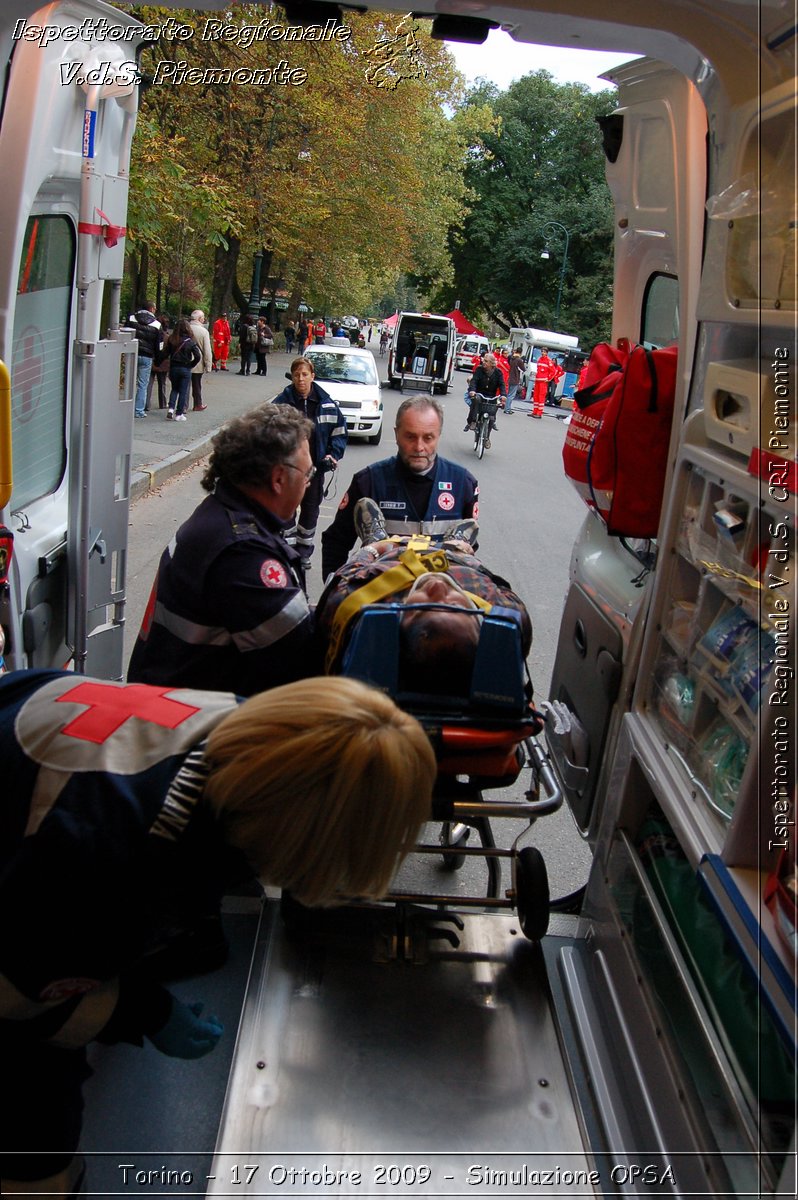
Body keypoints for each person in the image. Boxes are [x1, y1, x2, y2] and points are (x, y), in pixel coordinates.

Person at [0, 667, 436, 1199]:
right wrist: (142, 1011)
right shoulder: (118, 873)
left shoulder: (252, 731)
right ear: (309, 843)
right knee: (34, 1118)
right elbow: (18, 1000)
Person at [128, 405, 320, 694]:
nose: (308, 484)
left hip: (169, 700)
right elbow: (302, 657)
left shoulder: (222, 513)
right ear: (279, 479)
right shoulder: (243, 553)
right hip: (197, 723)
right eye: (308, 474)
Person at [317, 500, 532, 692]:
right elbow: (498, 583)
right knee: (460, 552)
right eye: (456, 605)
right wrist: (465, 556)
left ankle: (376, 536)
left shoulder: (353, 604)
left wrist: (374, 550)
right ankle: (456, 544)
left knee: (380, 546)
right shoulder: (507, 615)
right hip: (457, 563)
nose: (438, 586)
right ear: (481, 628)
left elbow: (345, 574)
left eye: (423, 608)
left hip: (393, 558)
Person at [321, 395, 479, 578]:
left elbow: (471, 547)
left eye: (428, 438)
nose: (419, 447)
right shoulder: (368, 481)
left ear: (438, 436)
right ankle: (378, 544)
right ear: (396, 434)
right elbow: (336, 542)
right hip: (382, 589)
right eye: (410, 437)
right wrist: (334, 591)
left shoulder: (463, 483)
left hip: (439, 591)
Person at [271, 357, 348, 569]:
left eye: (305, 375)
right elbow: (267, 431)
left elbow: (340, 432)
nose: (301, 379)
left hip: (316, 470)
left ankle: (303, 553)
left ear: (312, 376)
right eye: (296, 375)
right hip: (288, 471)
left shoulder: (327, 404)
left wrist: (333, 455)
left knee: (310, 511)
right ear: (292, 377)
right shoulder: (281, 404)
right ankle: (287, 551)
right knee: (286, 510)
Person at [163, 318, 202, 422]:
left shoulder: (172, 339)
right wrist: (191, 364)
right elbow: (198, 356)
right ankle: (179, 414)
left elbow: (165, 353)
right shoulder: (190, 341)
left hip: (174, 368)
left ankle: (171, 409)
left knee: (174, 389)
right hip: (185, 368)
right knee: (183, 392)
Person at [464, 351, 506, 441]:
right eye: (484, 360)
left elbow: (502, 384)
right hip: (479, 394)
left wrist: (503, 395)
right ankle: (473, 421)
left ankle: (487, 437)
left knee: (492, 415)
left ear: (492, 363)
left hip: (491, 396)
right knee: (476, 401)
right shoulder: (479, 369)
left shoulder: (498, 373)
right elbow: (474, 381)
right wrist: (472, 391)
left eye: (486, 361)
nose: (484, 362)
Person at [129, 301, 161, 419]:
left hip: (131, 353)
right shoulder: (157, 324)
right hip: (147, 356)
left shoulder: (132, 318)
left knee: (129, 381)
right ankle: (139, 411)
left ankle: (126, 407)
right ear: (152, 309)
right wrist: (158, 359)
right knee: (143, 384)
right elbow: (159, 344)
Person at [189, 309, 213, 411]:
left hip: (183, 361)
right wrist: (208, 365)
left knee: (183, 385)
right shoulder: (204, 332)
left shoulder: (185, 328)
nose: (204, 319)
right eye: (203, 317)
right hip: (197, 362)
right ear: (199, 319)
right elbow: (207, 350)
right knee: (196, 385)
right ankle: (197, 404)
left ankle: (182, 406)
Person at [530, 351, 564, 418]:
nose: (542, 353)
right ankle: (534, 411)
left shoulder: (548, 361)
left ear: (546, 353)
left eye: (544, 352)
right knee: (536, 396)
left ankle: (539, 413)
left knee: (541, 396)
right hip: (538, 380)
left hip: (543, 381)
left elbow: (554, 371)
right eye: (542, 351)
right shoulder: (539, 359)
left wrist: (549, 378)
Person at [504, 347, 525, 415]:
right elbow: (523, 369)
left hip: (510, 378)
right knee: (511, 395)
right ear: (521, 352)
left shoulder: (512, 359)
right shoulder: (519, 360)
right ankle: (507, 409)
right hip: (515, 378)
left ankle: (507, 408)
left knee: (509, 394)